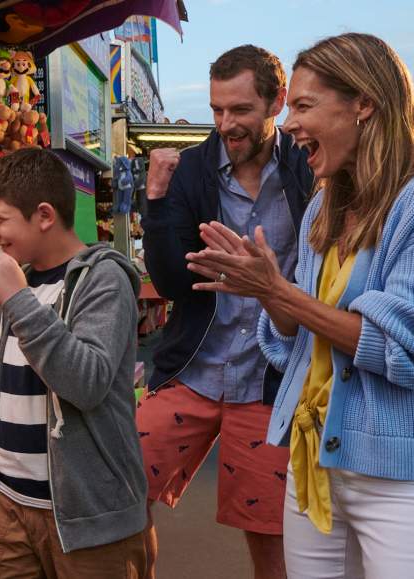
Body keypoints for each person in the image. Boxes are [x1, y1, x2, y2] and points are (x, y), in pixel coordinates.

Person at [187, 32, 414, 578]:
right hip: (312, 459)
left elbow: (401, 350)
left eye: (305, 106)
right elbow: (292, 343)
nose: (289, 125)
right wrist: (264, 290)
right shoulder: (322, 208)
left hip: (394, 478)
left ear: (364, 104)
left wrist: (278, 291)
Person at [0, 148, 148, 579]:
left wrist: (17, 298)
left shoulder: (102, 279)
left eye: (0, 219)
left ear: (44, 215)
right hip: (7, 509)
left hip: (90, 520)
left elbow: (86, 382)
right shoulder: (21, 280)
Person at [139, 44, 314, 578]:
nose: (225, 124)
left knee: (269, 543)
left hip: (271, 380)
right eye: (217, 110)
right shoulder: (191, 169)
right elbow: (170, 282)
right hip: (193, 370)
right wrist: (156, 203)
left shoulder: (307, 167)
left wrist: (269, 285)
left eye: (240, 110)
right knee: (118, 493)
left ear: (276, 101)